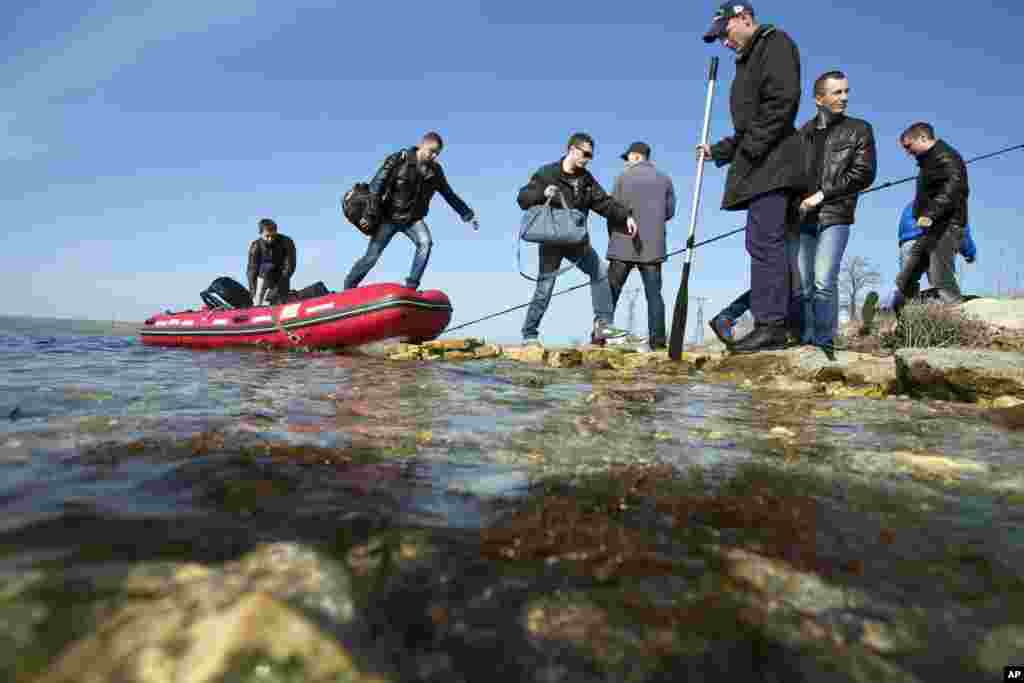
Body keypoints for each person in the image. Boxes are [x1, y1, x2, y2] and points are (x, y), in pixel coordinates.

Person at [698, 1, 804, 354]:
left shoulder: (774, 44)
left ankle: (771, 324)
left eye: (725, 33)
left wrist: (748, 152)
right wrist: (721, 151)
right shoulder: (748, 59)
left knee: (764, 242)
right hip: (763, 161)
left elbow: (781, 104)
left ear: (744, 19)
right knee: (768, 244)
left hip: (773, 165)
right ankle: (782, 323)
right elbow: (748, 127)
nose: (724, 43)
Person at [517, 132, 638, 346]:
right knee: (544, 287)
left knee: (600, 273)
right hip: (552, 243)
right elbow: (523, 198)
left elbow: (604, 203)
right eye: (586, 154)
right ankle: (529, 334)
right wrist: (543, 193)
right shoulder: (546, 173)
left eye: (591, 155)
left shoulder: (586, 179)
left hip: (578, 243)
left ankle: (603, 326)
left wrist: (626, 216)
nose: (588, 159)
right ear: (572, 150)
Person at [792, 70, 877, 350]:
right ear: (819, 98)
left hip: (835, 214)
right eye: (837, 92)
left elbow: (864, 173)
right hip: (803, 218)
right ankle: (805, 340)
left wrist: (823, 195)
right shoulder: (802, 133)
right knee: (803, 286)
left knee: (823, 280)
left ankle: (824, 341)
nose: (845, 97)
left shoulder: (859, 129)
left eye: (846, 91)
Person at [344, 131, 479, 291]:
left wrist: (467, 214)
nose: (434, 156)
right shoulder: (400, 159)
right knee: (371, 257)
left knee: (426, 243)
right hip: (389, 216)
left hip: (413, 220)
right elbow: (377, 185)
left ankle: (411, 286)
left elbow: (449, 194)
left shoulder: (435, 171)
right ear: (422, 145)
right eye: (432, 151)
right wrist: (369, 214)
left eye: (437, 153)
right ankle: (349, 287)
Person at [606, 142, 676, 350]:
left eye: (627, 158)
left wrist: (613, 238)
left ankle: (599, 337)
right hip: (653, 248)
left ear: (636, 157)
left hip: (621, 243)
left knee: (610, 293)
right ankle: (658, 342)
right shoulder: (665, 179)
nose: (626, 163)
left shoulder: (622, 178)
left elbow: (612, 210)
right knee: (654, 295)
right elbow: (669, 212)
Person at [892, 122, 968, 313]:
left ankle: (958, 317)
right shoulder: (928, 162)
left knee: (940, 277)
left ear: (923, 138)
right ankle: (910, 316)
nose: (907, 152)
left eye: (909, 146)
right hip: (931, 229)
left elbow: (953, 189)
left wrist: (929, 214)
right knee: (906, 277)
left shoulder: (946, 157)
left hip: (947, 226)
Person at [247, 218, 296, 306]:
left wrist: (274, 291)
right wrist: (254, 294)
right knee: (259, 300)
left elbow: (289, 267)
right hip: (263, 278)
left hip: (281, 277)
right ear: (260, 234)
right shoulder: (255, 246)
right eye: (267, 236)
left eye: (273, 236)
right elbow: (252, 271)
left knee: (278, 300)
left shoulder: (286, 242)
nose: (270, 239)